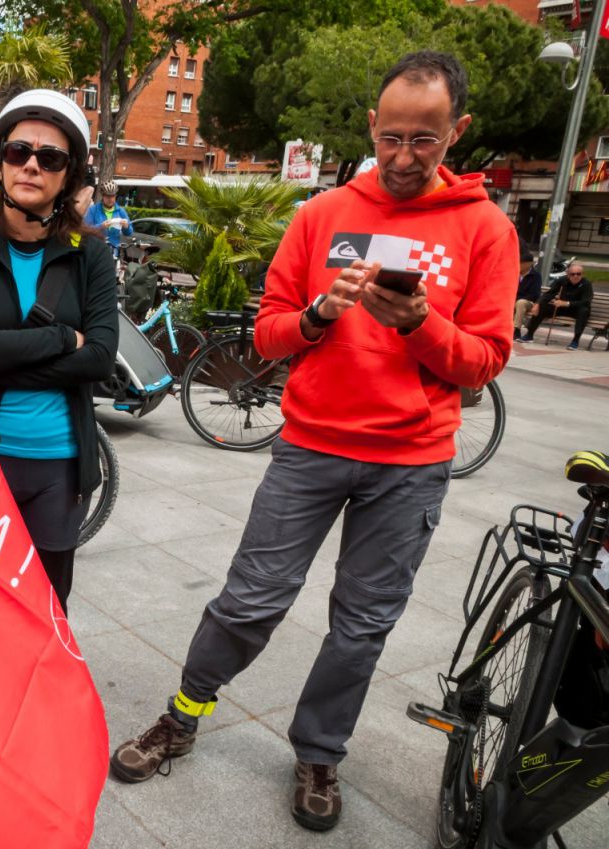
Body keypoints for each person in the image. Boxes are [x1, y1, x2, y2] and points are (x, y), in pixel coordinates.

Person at [109, 51, 515, 832]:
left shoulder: (485, 228)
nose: (403, 155)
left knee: (362, 626)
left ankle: (320, 752)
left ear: (456, 132)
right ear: (371, 125)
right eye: (390, 136)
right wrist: (320, 314)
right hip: (311, 447)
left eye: (424, 140)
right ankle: (184, 713)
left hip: (411, 464)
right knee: (250, 600)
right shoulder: (321, 215)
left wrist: (421, 325)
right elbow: (266, 335)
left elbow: (485, 359)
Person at [0, 89, 118, 613]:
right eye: (18, 152)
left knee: (47, 612)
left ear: (68, 175)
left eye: (50, 158)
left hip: (61, 467)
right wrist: (61, 339)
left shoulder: (91, 256)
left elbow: (100, 359)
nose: (31, 165)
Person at [520, 262, 594, 350]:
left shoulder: (586, 284)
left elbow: (586, 302)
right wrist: (538, 304)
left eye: (578, 274)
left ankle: (575, 340)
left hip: (576, 309)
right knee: (542, 307)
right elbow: (550, 293)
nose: (576, 276)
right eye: (573, 274)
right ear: (568, 274)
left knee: (584, 311)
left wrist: (567, 303)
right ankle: (529, 335)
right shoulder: (562, 280)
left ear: (582, 274)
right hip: (561, 307)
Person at [83, 180, 134, 259]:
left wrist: (126, 226)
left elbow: (129, 233)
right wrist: (101, 226)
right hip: (96, 250)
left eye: (112, 196)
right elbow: (86, 230)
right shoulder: (93, 210)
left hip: (114, 250)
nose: (110, 199)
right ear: (103, 196)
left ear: (115, 196)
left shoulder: (121, 211)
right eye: (107, 196)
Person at [513, 248, 542, 341]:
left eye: (521, 263)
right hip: (514, 301)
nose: (519, 265)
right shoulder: (514, 274)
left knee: (521, 303)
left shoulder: (536, 276)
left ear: (529, 264)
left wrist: (517, 299)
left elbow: (535, 293)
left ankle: (516, 330)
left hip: (529, 302)